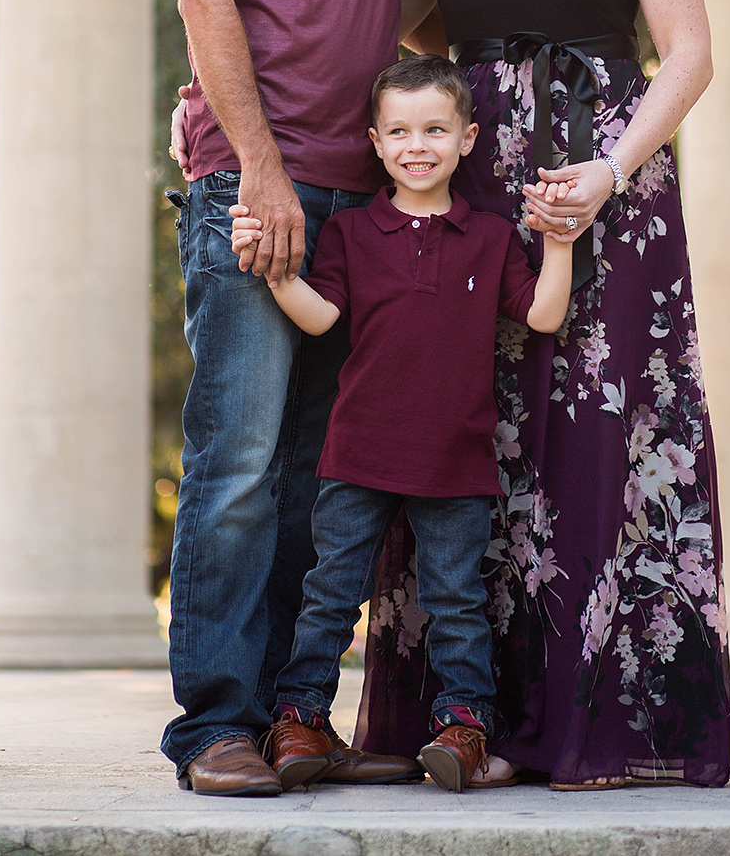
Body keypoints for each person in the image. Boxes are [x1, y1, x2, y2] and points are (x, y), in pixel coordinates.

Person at [357, 0, 730, 789]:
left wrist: (610, 173)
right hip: (477, 188)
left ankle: (599, 723)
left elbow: (693, 52)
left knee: (603, 432)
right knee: (476, 427)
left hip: (610, 183)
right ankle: (470, 717)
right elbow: (389, 35)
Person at [161, 0, 433, 796]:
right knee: (236, 464)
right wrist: (259, 171)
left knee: (322, 481)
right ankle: (214, 724)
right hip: (253, 184)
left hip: (366, 198)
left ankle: (291, 715)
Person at [230, 55, 579, 792]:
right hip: (358, 450)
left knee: (455, 598)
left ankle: (464, 727)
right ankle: (298, 720)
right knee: (331, 591)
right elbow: (321, 316)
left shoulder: (488, 235)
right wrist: (270, 264)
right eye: (400, 130)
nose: (417, 144)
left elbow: (544, 313)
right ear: (377, 142)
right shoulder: (354, 233)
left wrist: (560, 240)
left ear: (467, 137)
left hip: (456, 458)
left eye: (434, 129)